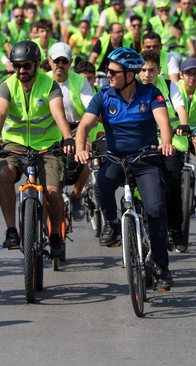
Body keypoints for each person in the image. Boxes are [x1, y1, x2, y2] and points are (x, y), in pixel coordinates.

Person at [74, 48, 174, 288]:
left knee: (155, 210)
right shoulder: (104, 96)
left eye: (113, 71)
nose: (108, 75)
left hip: (146, 159)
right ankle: (112, 222)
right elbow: (84, 126)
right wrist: (80, 149)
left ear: (130, 74)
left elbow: (163, 121)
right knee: (102, 187)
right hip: (116, 159)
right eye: (108, 70)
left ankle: (161, 266)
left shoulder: (151, 93)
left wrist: (166, 143)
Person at [0, 41, 74, 259]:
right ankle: (11, 230)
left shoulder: (49, 85)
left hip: (47, 146)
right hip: (14, 144)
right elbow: (0, 115)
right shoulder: (7, 86)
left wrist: (68, 138)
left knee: (52, 191)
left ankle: (54, 235)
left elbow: (58, 115)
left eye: (26, 66)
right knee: (4, 173)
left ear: (35, 64)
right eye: (17, 66)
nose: (21, 70)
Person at [140, 51, 190, 253]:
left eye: (151, 70)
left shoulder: (170, 86)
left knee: (171, 183)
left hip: (171, 143)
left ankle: (176, 228)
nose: (146, 74)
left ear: (159, 70)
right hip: (143, 143)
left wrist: (184, 124)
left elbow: (180, 108)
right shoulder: (132, 88)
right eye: (142, 70)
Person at [46, 43, 95, 218]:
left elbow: (91, 107)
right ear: (49, 61)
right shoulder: (41, 80)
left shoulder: (80, 81)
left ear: (70, 62)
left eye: (64, 61)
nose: (60, 64)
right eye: (56, 60)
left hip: (77, 129)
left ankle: (76, 195)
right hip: (49, 132)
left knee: (83, 157)